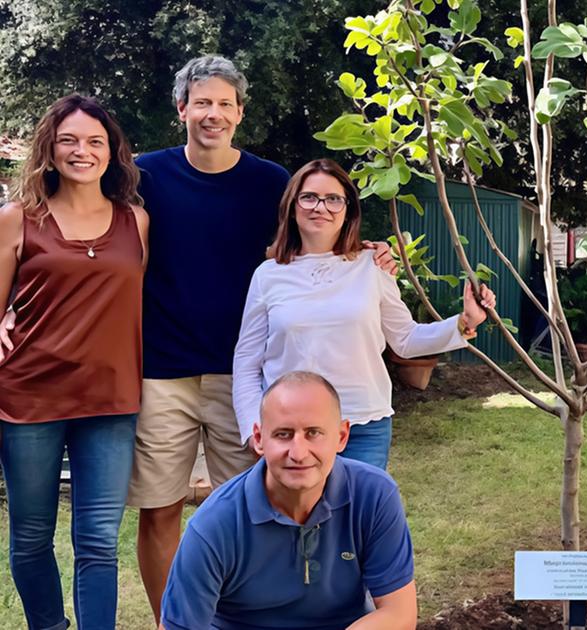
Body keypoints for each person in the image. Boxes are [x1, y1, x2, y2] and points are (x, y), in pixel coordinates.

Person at [120, 54, 398, 623]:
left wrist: (362, 252)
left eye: (225, 103)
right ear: (182, 109)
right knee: (160, 511)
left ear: (240, 113)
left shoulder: (270, 183)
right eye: (202, 102)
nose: (213, 113)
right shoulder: (143, 177)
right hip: (160, 370)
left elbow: (308, 242)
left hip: (242, 380)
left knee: (257, 513)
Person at [232, 158, 496, 469]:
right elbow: (247, 362)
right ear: (292, 206)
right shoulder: (268, 275)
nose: (321, 207)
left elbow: (406, 340)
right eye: (309, 197)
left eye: (333, 199)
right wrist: (252, 427)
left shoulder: (373, 265)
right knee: (296, 518)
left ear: (348, 211)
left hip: (362, 426)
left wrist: (465, 323)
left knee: (358, 517)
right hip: (292, 430)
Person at [0, 94, 148, 629]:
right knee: (32, 536)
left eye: (94, 141)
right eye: (68, 140)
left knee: (98, 542)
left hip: (111, 403)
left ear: (112, 152)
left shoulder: (137, 222)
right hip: (29, 401)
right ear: (50, 148)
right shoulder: (16, 219)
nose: (81, 151)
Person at [160, 371, 417, 630]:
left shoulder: (373, 495)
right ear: (259, 439)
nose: (298, 453)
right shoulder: (215, 524)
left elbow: (399, 613)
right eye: (283, 434)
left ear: (341, 436)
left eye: (313, 433)